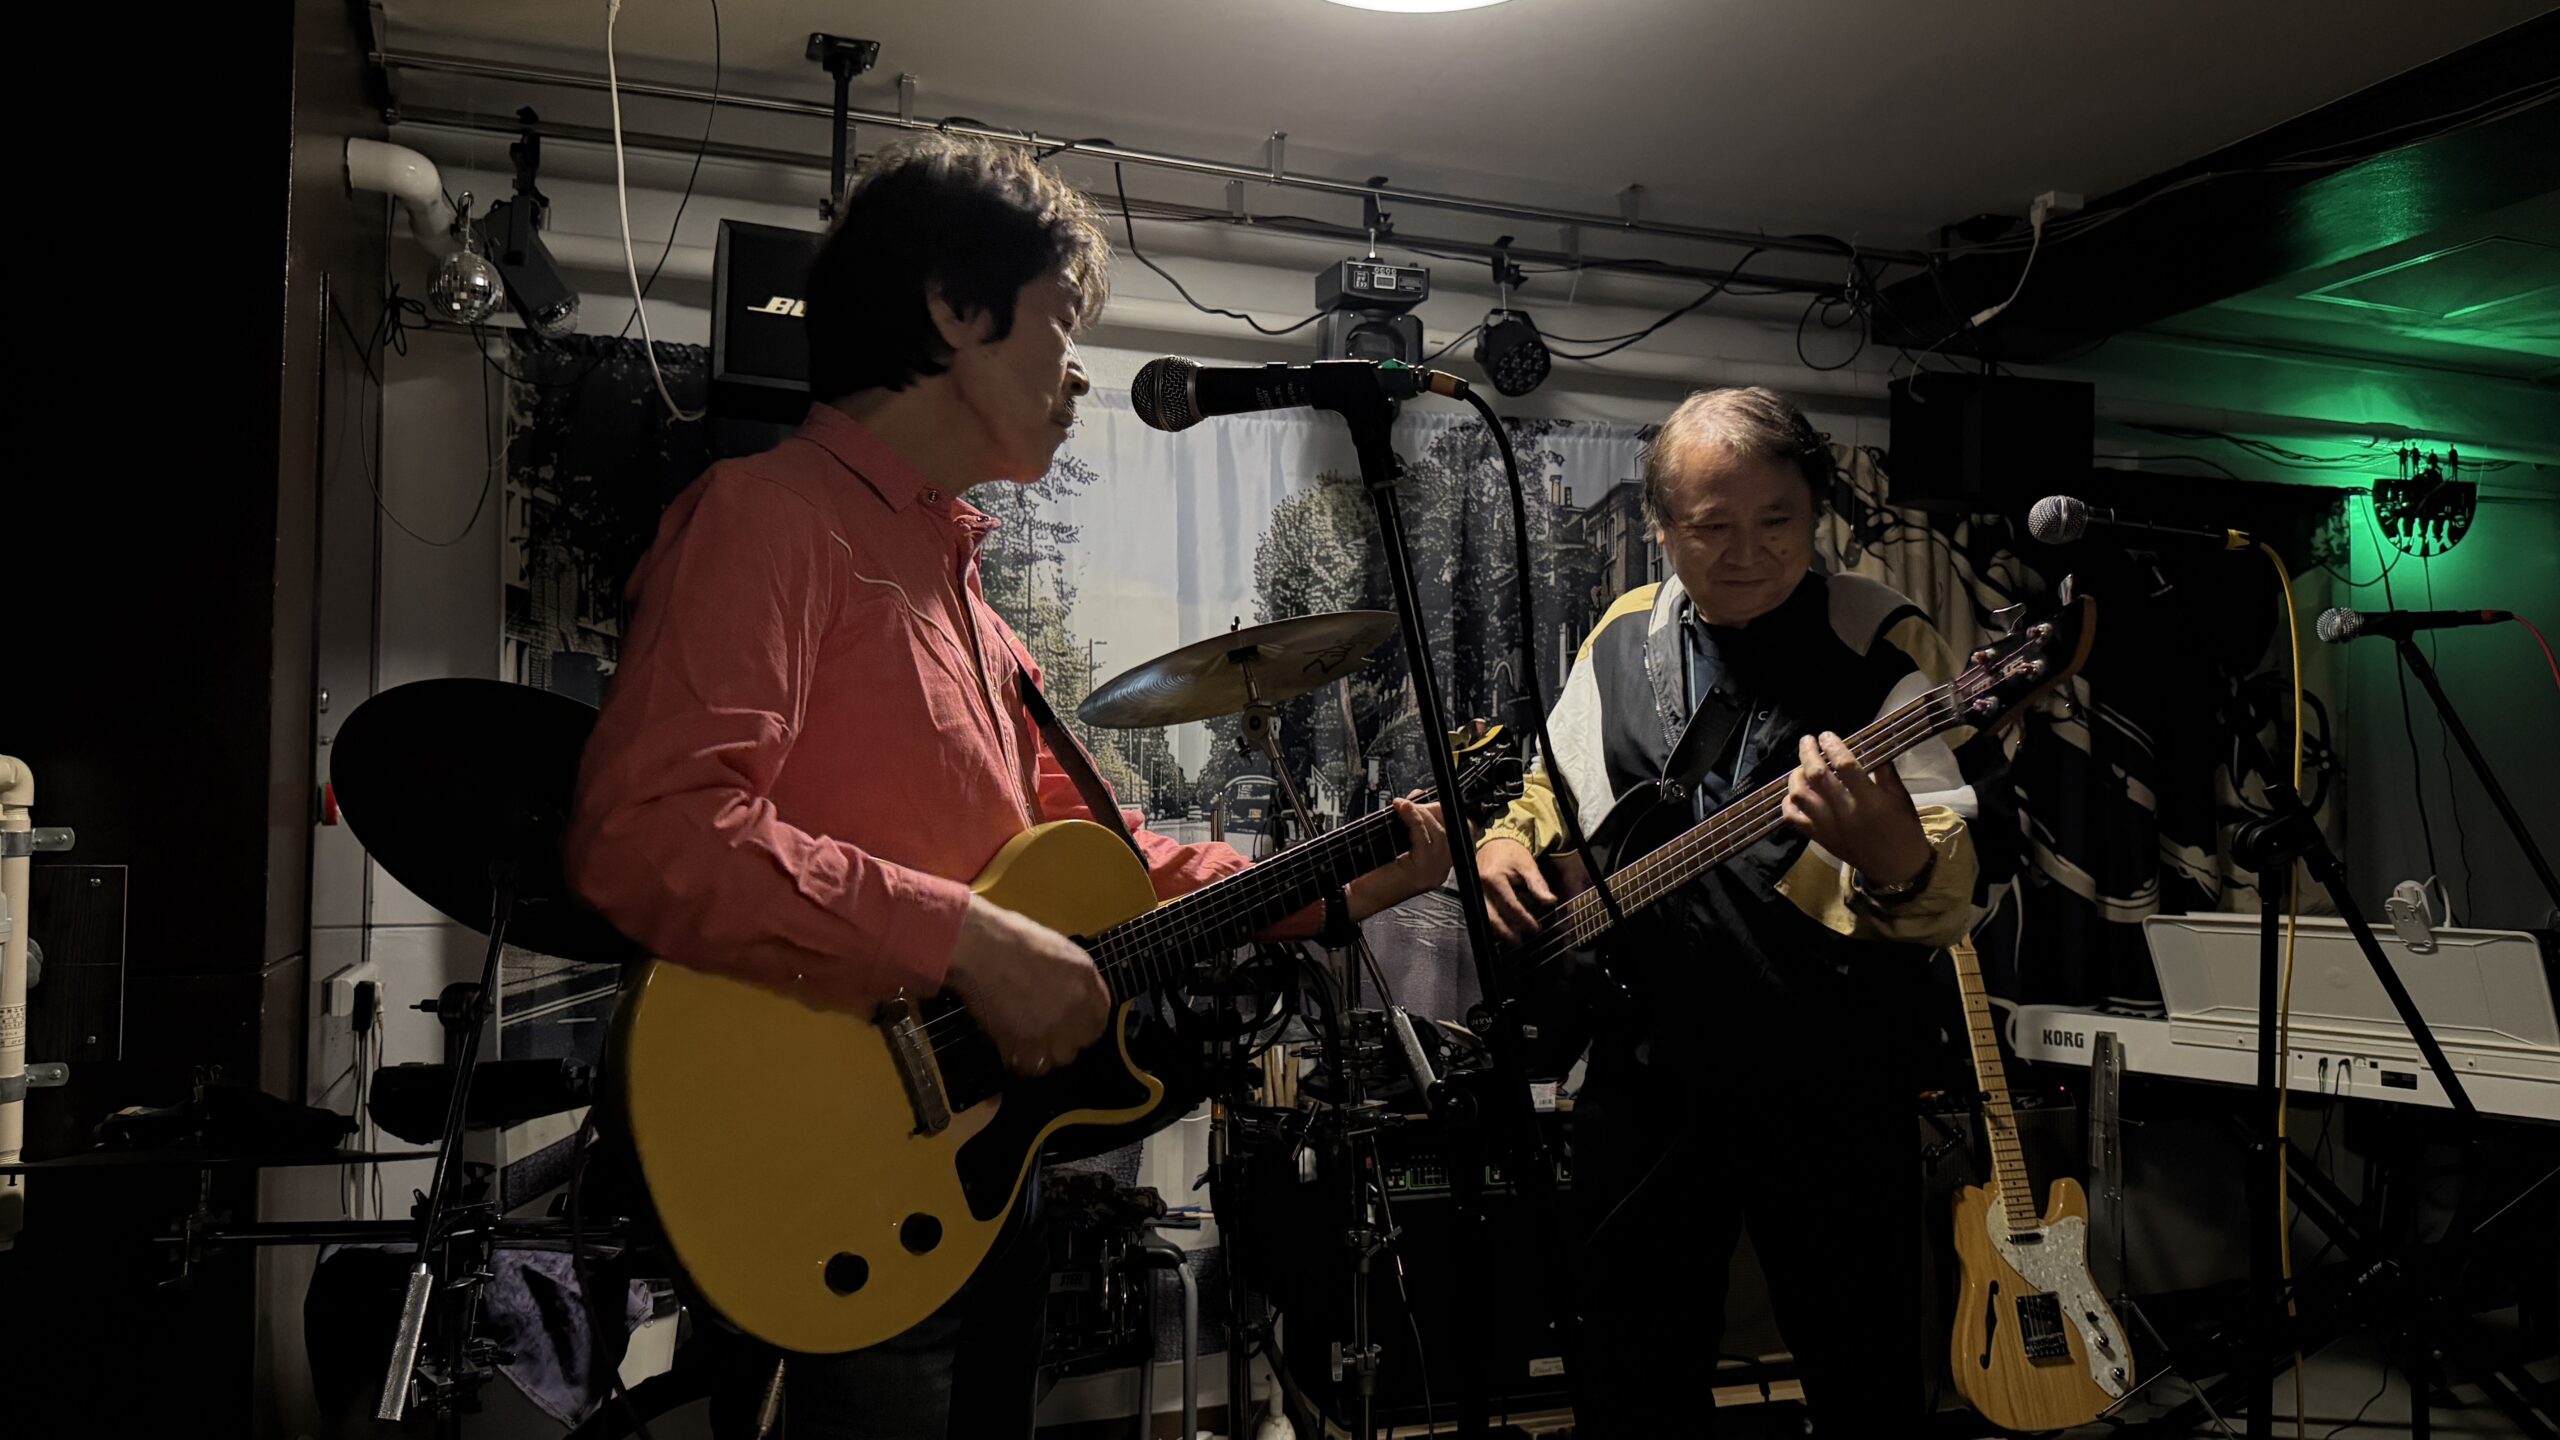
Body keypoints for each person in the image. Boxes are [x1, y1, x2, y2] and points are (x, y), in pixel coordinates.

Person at [565, 134, 1451, 1440]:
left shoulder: (963, 595)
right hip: (833, 1163)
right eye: (1059, 322)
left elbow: (1098, 858)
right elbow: (649, 833)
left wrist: (1328, 888)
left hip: (978, 1168)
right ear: (954, 309)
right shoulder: (767, 519)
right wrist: (964, 939)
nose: (1078, 369)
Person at [1474, 387, 1978, 1435]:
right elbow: (1553, 787)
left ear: (1815, 514)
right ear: (1662, 527)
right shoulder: (1621, 636)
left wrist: (1894, 860)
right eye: (1711, 526)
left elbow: (1952, 869)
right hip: (1645, 1073)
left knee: (1865, 1377)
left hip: (1832, 1074)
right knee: (1630, 1379)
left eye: (1776, 520)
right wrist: (1505, 842)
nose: (1747, 552)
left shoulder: (1886, 645)